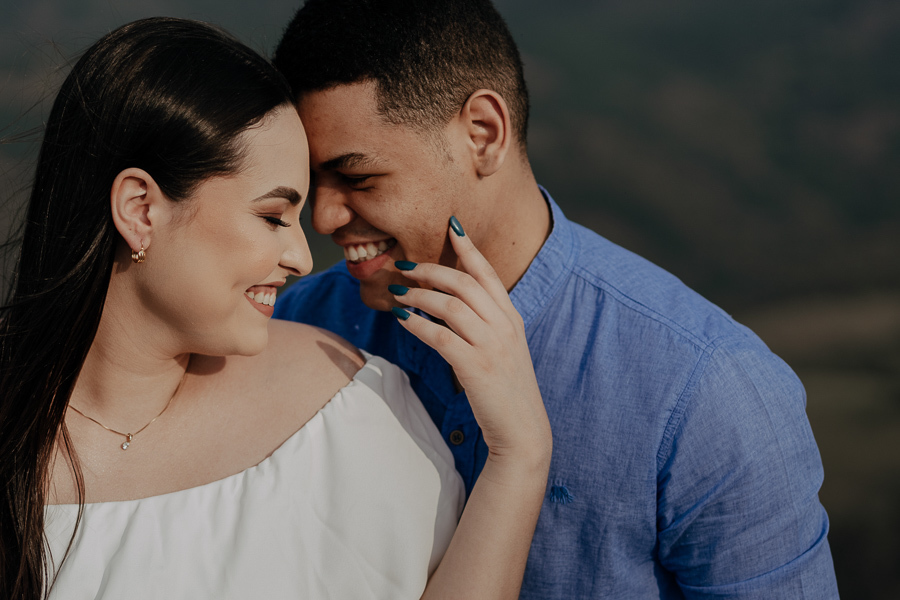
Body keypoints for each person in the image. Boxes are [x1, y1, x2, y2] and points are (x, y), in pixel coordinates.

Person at [271, 0, 841, 597]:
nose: (325, 217)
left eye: (359, 179)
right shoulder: (298, 325)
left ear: (482, 134)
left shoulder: (708, 391)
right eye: (313, 184)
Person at [0, 17, 552, 600]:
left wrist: (520, 456)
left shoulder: (350, 414)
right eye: (271, 217)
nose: (303, 255)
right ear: (140, 209)